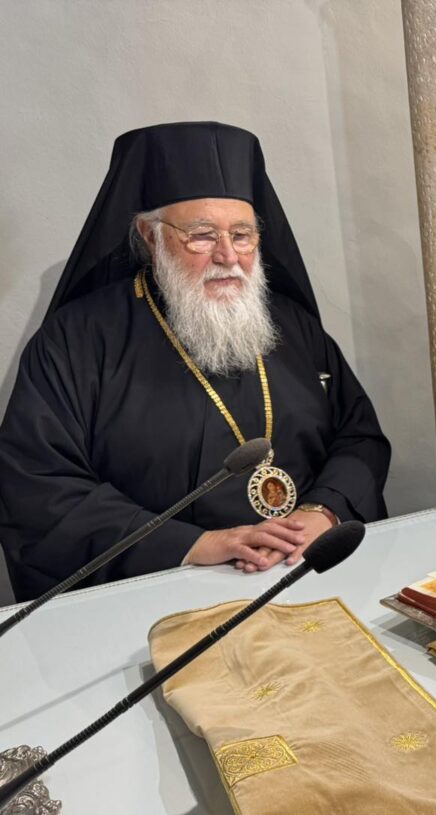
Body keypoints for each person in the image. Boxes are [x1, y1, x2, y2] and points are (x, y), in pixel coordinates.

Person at [0, 122, 391, 601]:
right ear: (150, 236)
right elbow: (39, 484)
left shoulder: (293, 325)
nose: (228, 255)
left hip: (306, 574)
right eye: (202, 236)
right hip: (159, 594)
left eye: (242, 235)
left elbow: (359, 437)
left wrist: (324, 510)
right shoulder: (76, 340)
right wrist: (192, 545)